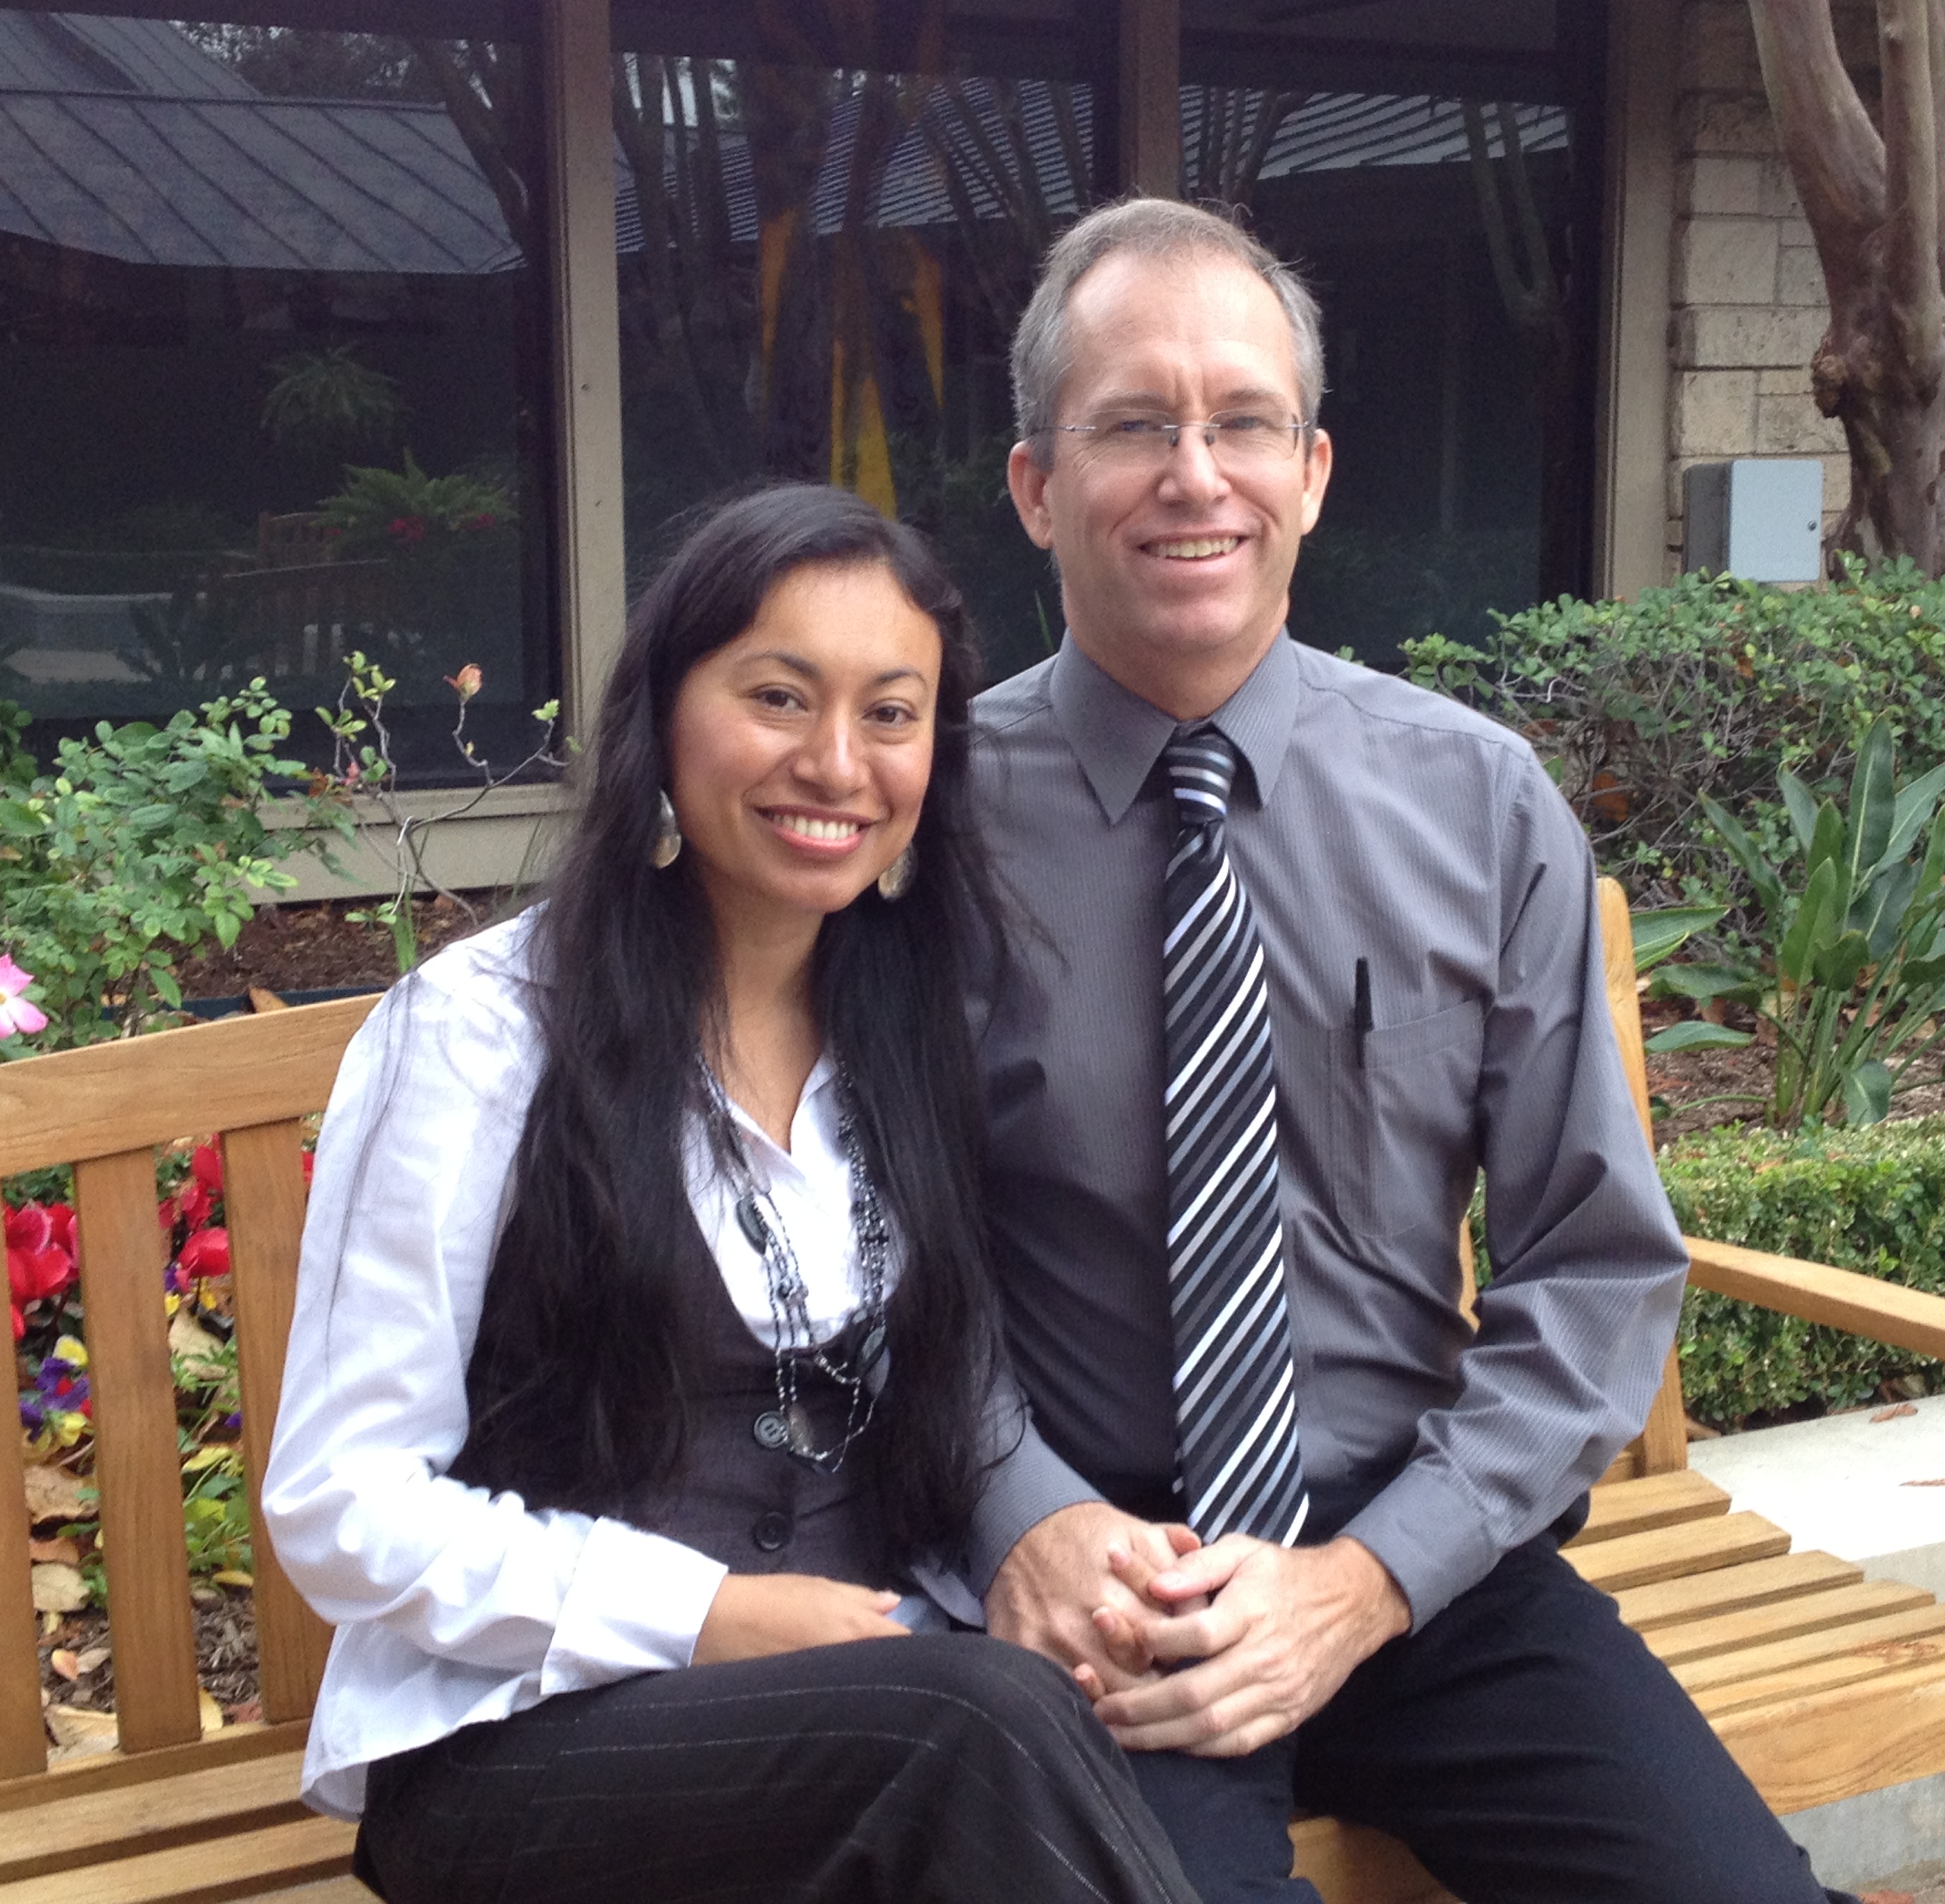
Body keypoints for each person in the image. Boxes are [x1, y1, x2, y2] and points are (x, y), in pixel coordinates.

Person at [957, 198, 1860, 1904]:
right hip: (1102, 1588)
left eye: (1243, 423)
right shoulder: (923, 831)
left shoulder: (1477, 805)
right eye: (1133, 426)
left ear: (1311, 473)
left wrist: (1369, 1580)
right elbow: (867, 1274)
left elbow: (1597, 1267)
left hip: (1423, 1557)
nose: (1195, 476)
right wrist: (1022, 1517)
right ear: (1036, 487)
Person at [264, 484, 1200, 1904]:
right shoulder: (481, 1032)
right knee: (983, 1729)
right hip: (527, 1745)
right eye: (778, 697)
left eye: (892, 715)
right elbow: (341, 1501)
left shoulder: (907, 1027)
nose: (836, 763)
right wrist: (699, 1614)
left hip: (863, 1718)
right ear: (664, 713)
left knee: (1097, 1732)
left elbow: (947, 1400)